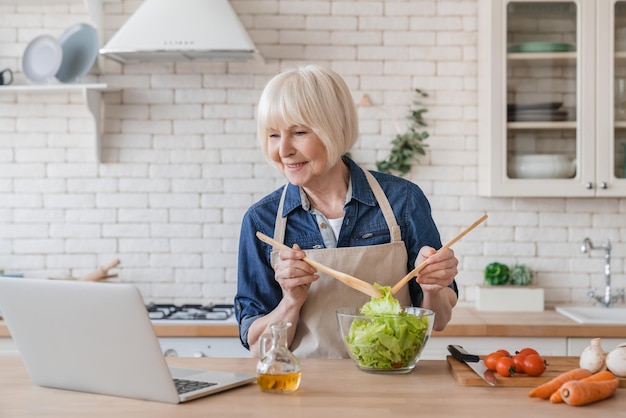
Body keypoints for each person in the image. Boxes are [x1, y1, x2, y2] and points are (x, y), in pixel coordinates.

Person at [234, 64, 458, 358]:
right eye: (273, 135)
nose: (283, 150)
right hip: (303, 391)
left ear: (336, 128)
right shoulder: (261, 222)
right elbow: (257, 345)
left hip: (391, 389)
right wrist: (290, 300)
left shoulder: (402, 201)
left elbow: (438, 320)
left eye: (299, 132)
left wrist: (433, 287)